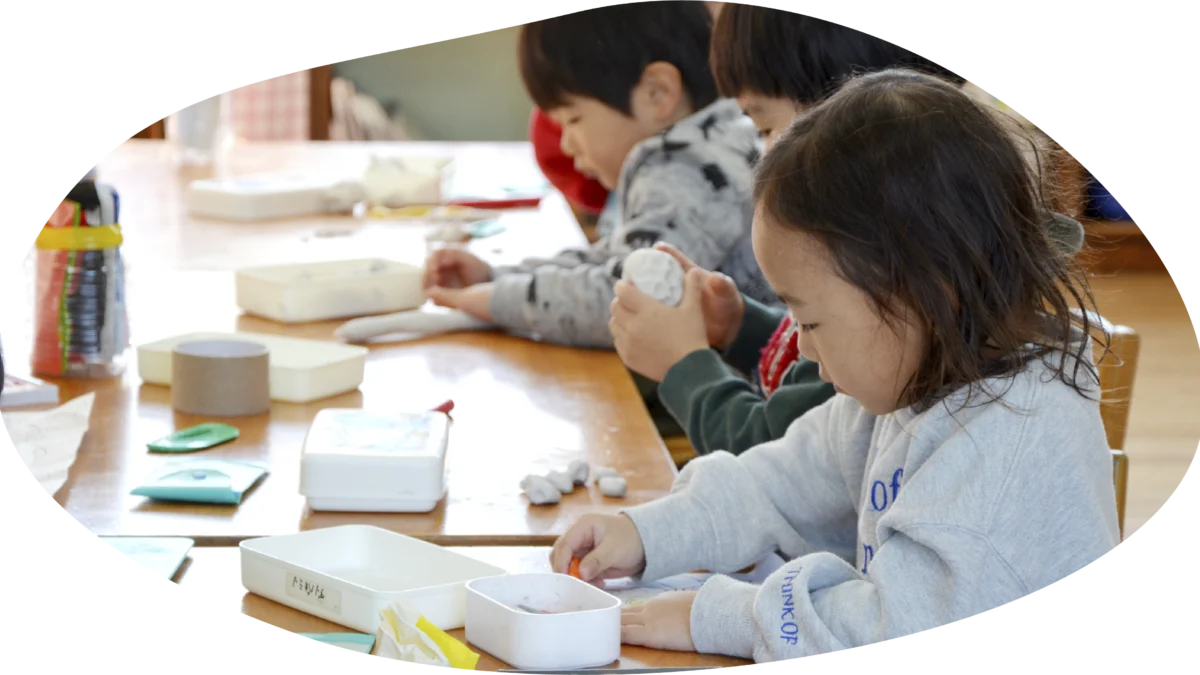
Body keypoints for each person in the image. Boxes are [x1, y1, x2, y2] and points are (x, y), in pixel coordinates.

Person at [552, 69, 1121, 663]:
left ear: (929, 292)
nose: (799, 347)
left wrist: (720, 616)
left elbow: (889, 628)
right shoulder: (916, 375)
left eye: (810, 321)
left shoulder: (1004, 449)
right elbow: (778, 485)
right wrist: (649, 533)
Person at [608, 5, 1086, 458]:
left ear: (848, 125)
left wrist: (683, 364)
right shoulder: (894, 300)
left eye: (766, 128)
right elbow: (808, 371)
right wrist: (741, 326)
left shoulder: (885, 350)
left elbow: (776, 454)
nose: (765, 157)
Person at [422, 0, 774, 352]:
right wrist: (496, 276)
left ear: (658, 92)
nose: (566, 144)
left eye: (573, 119)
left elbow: (626, 299)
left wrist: (496, 301)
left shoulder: (685, 170)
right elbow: (615, 260)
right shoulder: (709, 142)